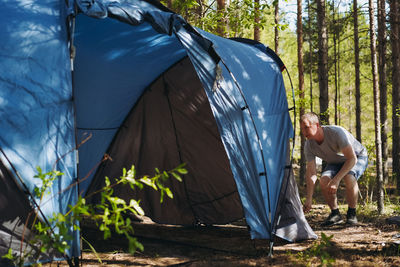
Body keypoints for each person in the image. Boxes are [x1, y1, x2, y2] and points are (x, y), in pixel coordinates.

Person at [300, 112, 368, 226]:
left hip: (356, 157)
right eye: (302, 129)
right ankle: (335, 214)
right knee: (324, 180)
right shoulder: (309, 145)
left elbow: (352, 159)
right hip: (335, 161)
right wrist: (309, 199)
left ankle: (352, 214)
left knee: (349, 177)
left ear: (316, 125)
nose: (304, 132)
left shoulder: (336, 133)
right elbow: (311, 173)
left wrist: (336, 180)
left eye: (306, 127)